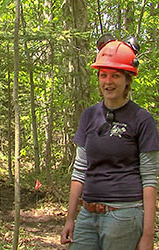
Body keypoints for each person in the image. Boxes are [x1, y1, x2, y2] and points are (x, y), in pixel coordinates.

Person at [60, 34, 159, 250]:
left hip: (123, 217)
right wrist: (70, 219)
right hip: (87, 216)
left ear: (127, 80)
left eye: (115, 75)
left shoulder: (142, 120)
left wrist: (148, 235)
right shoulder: (89, 116)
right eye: (103, 75)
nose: (108, 82)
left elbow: (150, 180)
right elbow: (80, 170)